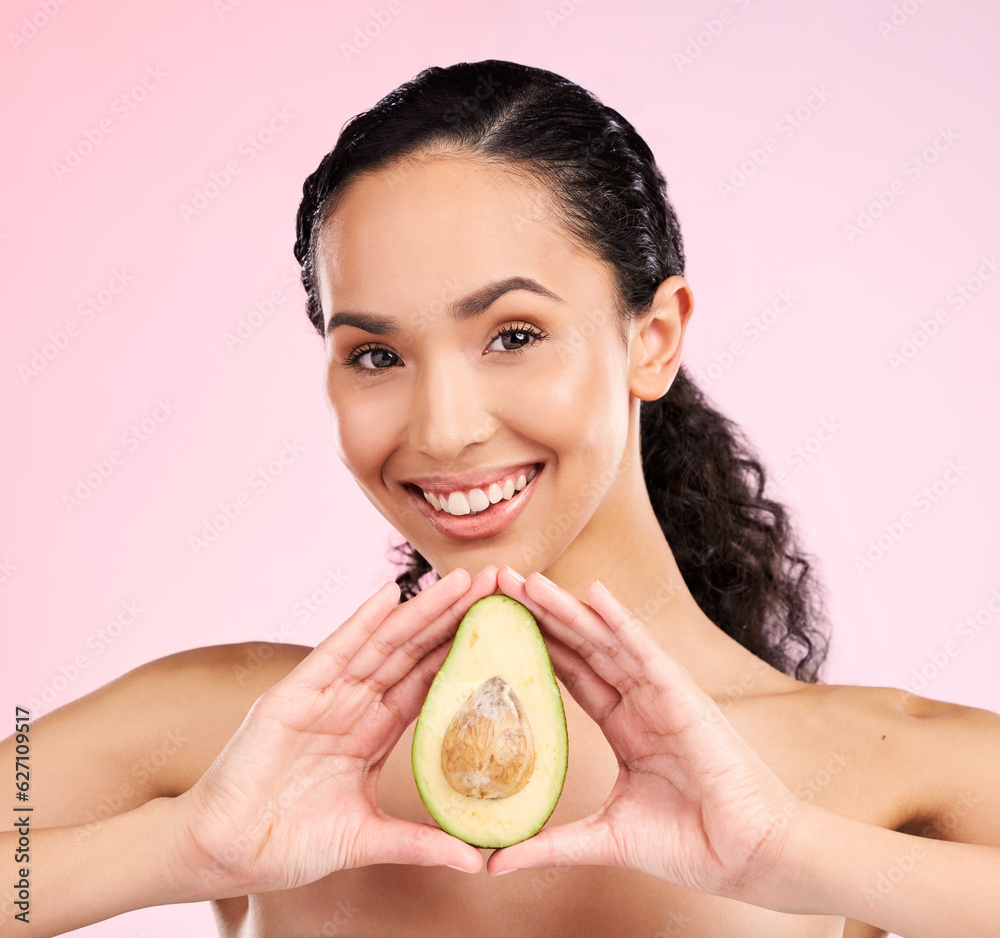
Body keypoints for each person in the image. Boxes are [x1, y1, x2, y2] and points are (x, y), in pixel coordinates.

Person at [3, 59, 999, 938]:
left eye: (512, 334)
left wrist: (797, 852)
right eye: (377, 354)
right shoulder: (233, 730)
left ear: (651, 337)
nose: (441, 428)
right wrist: (180, 847)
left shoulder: (886, 766)